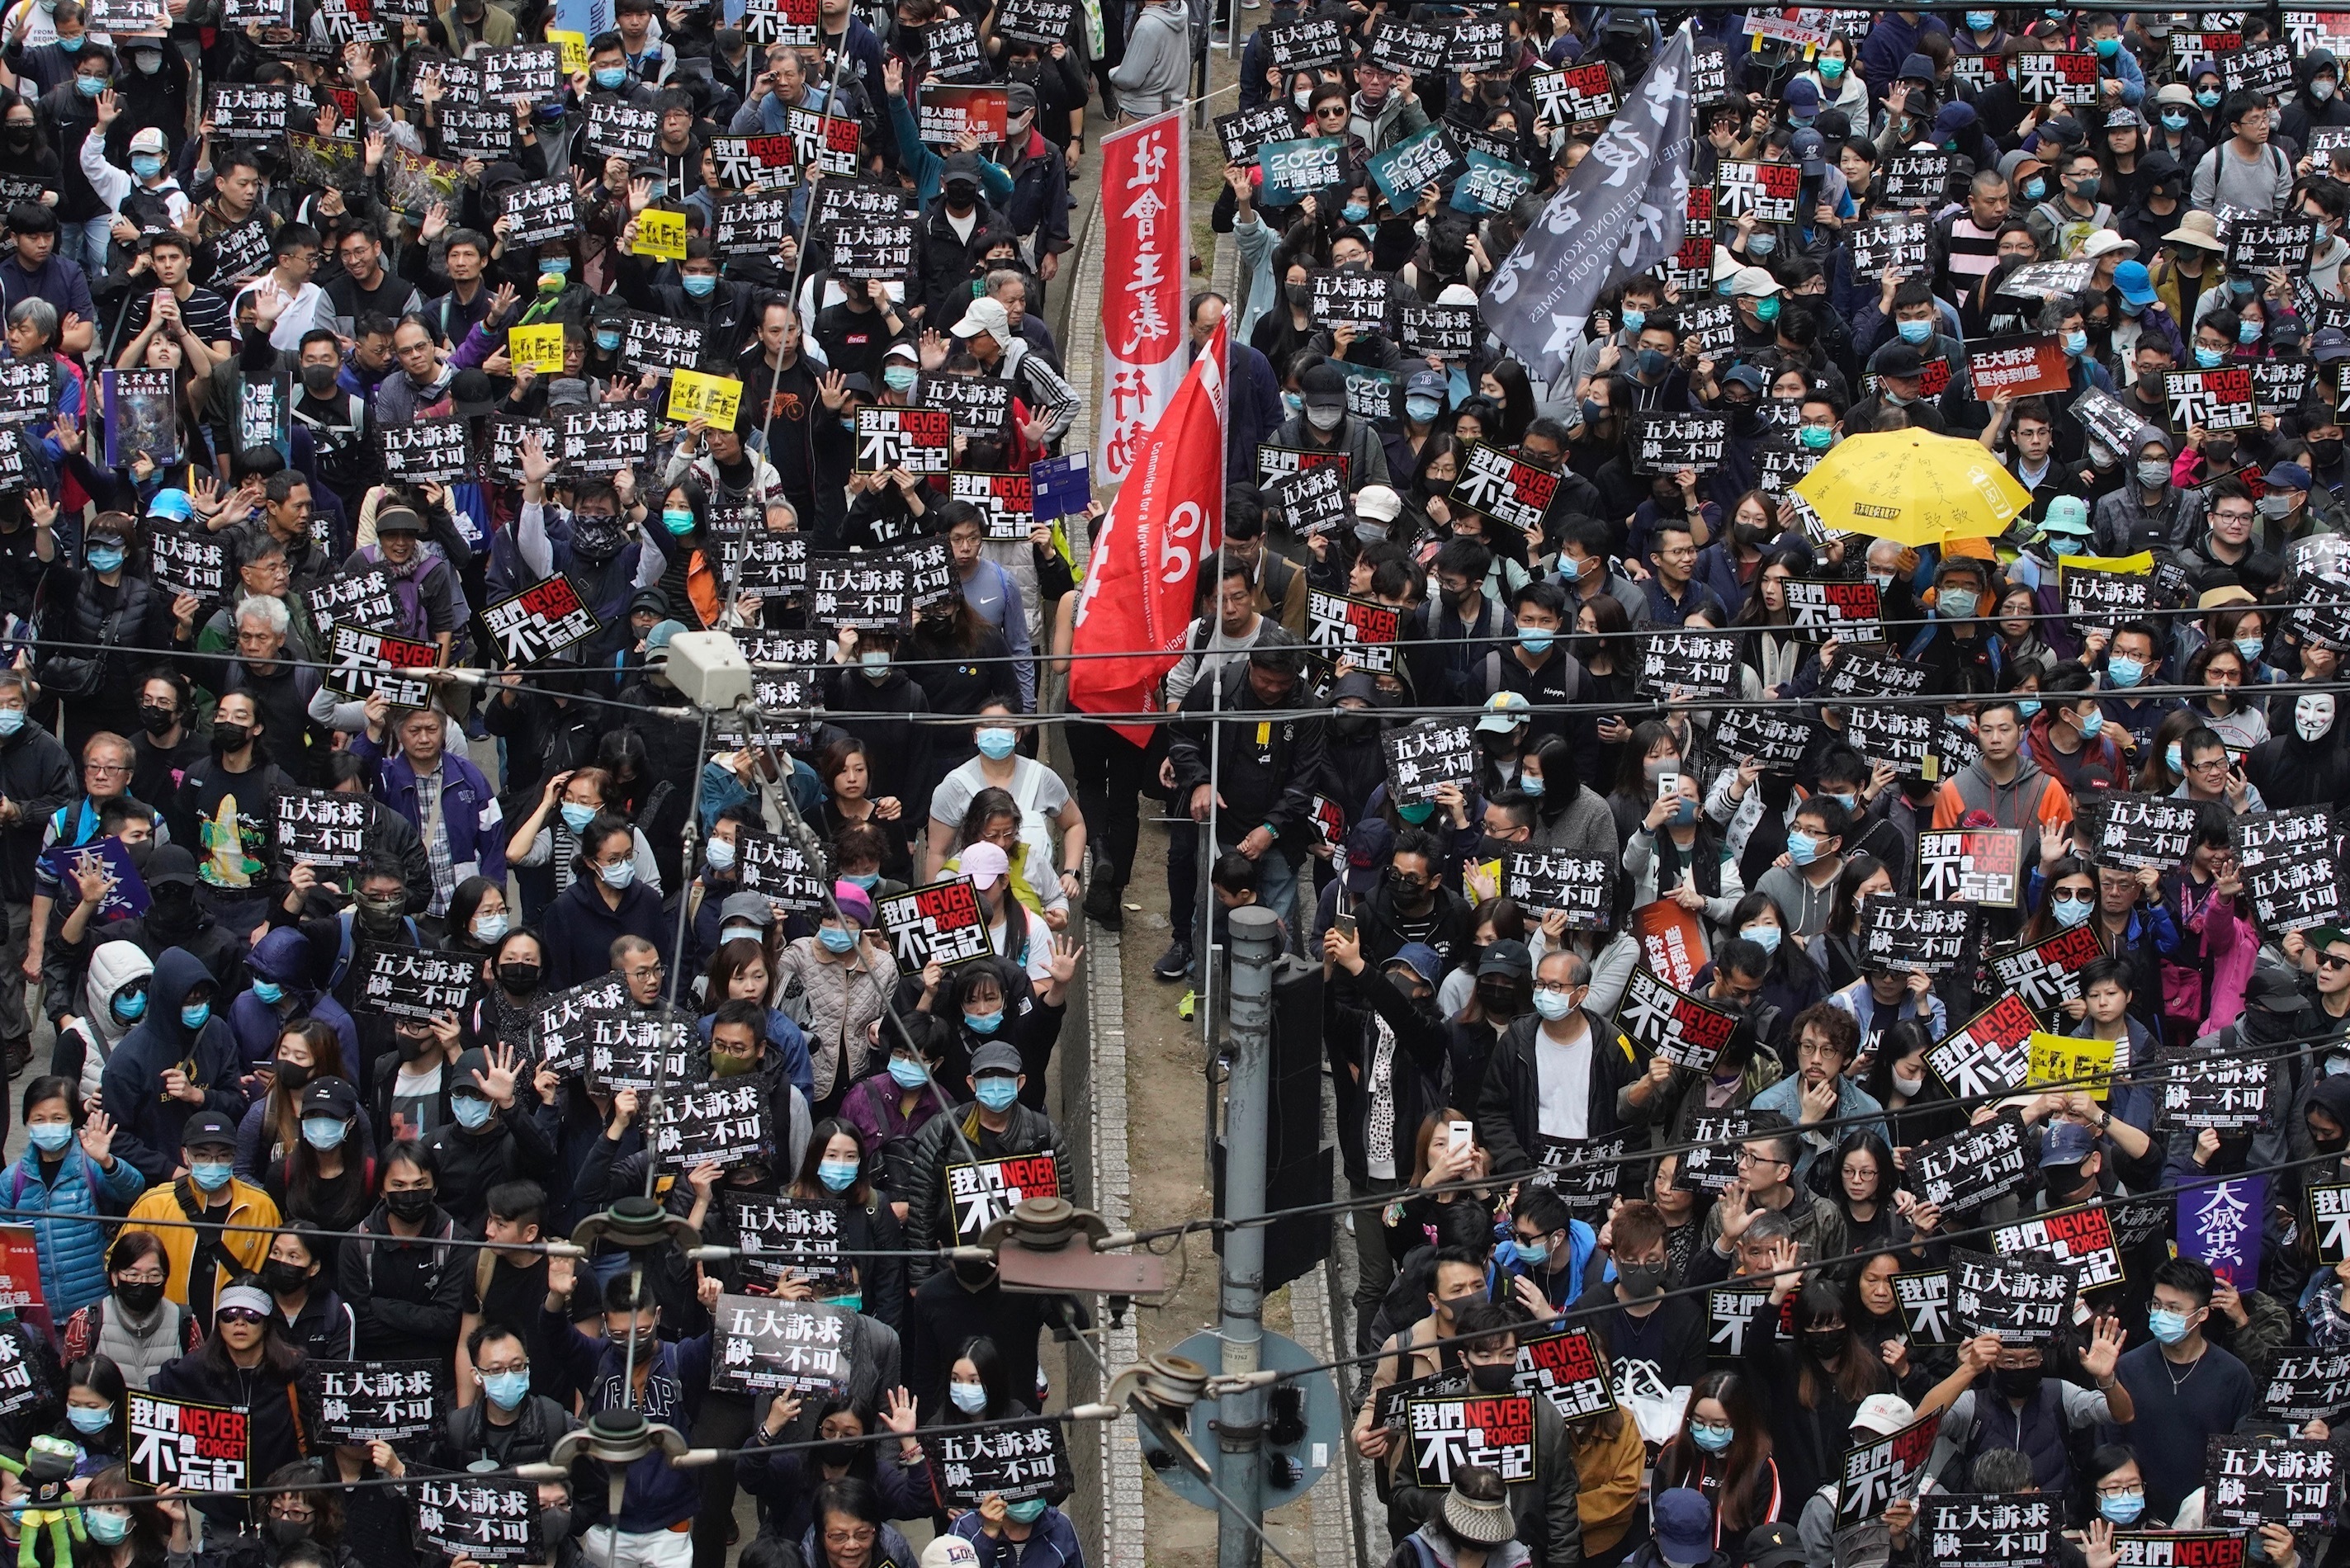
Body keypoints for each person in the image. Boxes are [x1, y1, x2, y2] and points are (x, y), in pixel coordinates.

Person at [2113, 1254, 2257, 1521]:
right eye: (2156, 1305)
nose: (2161, 1314)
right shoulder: (2126, 1368)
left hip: (2205, 1521)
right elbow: (2109, 1446)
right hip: (2140, 1521)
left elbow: (2243, 1455)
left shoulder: (2234, 1376)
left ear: (2202, 1314)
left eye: (2173, 1308)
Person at [120, 1109, 279, 1326]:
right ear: (185, 1156)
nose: (213, 1163)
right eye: (202, 1155)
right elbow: (118, 1264)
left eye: (223, 1155)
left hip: (236, 1333)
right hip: (167, 1331)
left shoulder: (262, 1207)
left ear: (234, 1156)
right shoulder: (153, 1204)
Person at [2, 1075, 141, 1316]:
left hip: (93, 1311)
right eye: (39, 1119)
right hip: (38, 1314)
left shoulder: (90, 1166)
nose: (48, 1125)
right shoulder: (11, 1180)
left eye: (58, 1118)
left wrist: (106, 1161)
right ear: (27, 1121)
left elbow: (133, 1189)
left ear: (72, 1120)